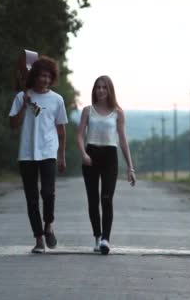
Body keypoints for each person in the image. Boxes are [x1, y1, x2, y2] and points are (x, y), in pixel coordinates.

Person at [9, 56, 68, 253]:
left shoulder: (57, 100)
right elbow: (13, 125)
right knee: (32, 198)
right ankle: (39, 239)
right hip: (27, 153)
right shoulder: (21, 97)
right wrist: (25, 105)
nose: (44, 79)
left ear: (52, 78)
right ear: (33, 76)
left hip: (48, 151)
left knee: (48, 193)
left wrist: (62, 156)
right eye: (41, 75)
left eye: (48, 76)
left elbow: (61, 130)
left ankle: (48, 225)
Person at [76, 75, 136, 255]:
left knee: (107, 198)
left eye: (104, 87)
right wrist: (84, 153)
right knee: (93, 200)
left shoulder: (118, 112)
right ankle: (97, 236)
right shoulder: (88, 111)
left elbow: (123, 141)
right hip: (91, 156)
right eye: (98, 87)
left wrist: (130, 167)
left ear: (110, 90)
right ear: (94, 90)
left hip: (110, 156)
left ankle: (105, 239)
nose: (101, 90)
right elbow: (79, 135)